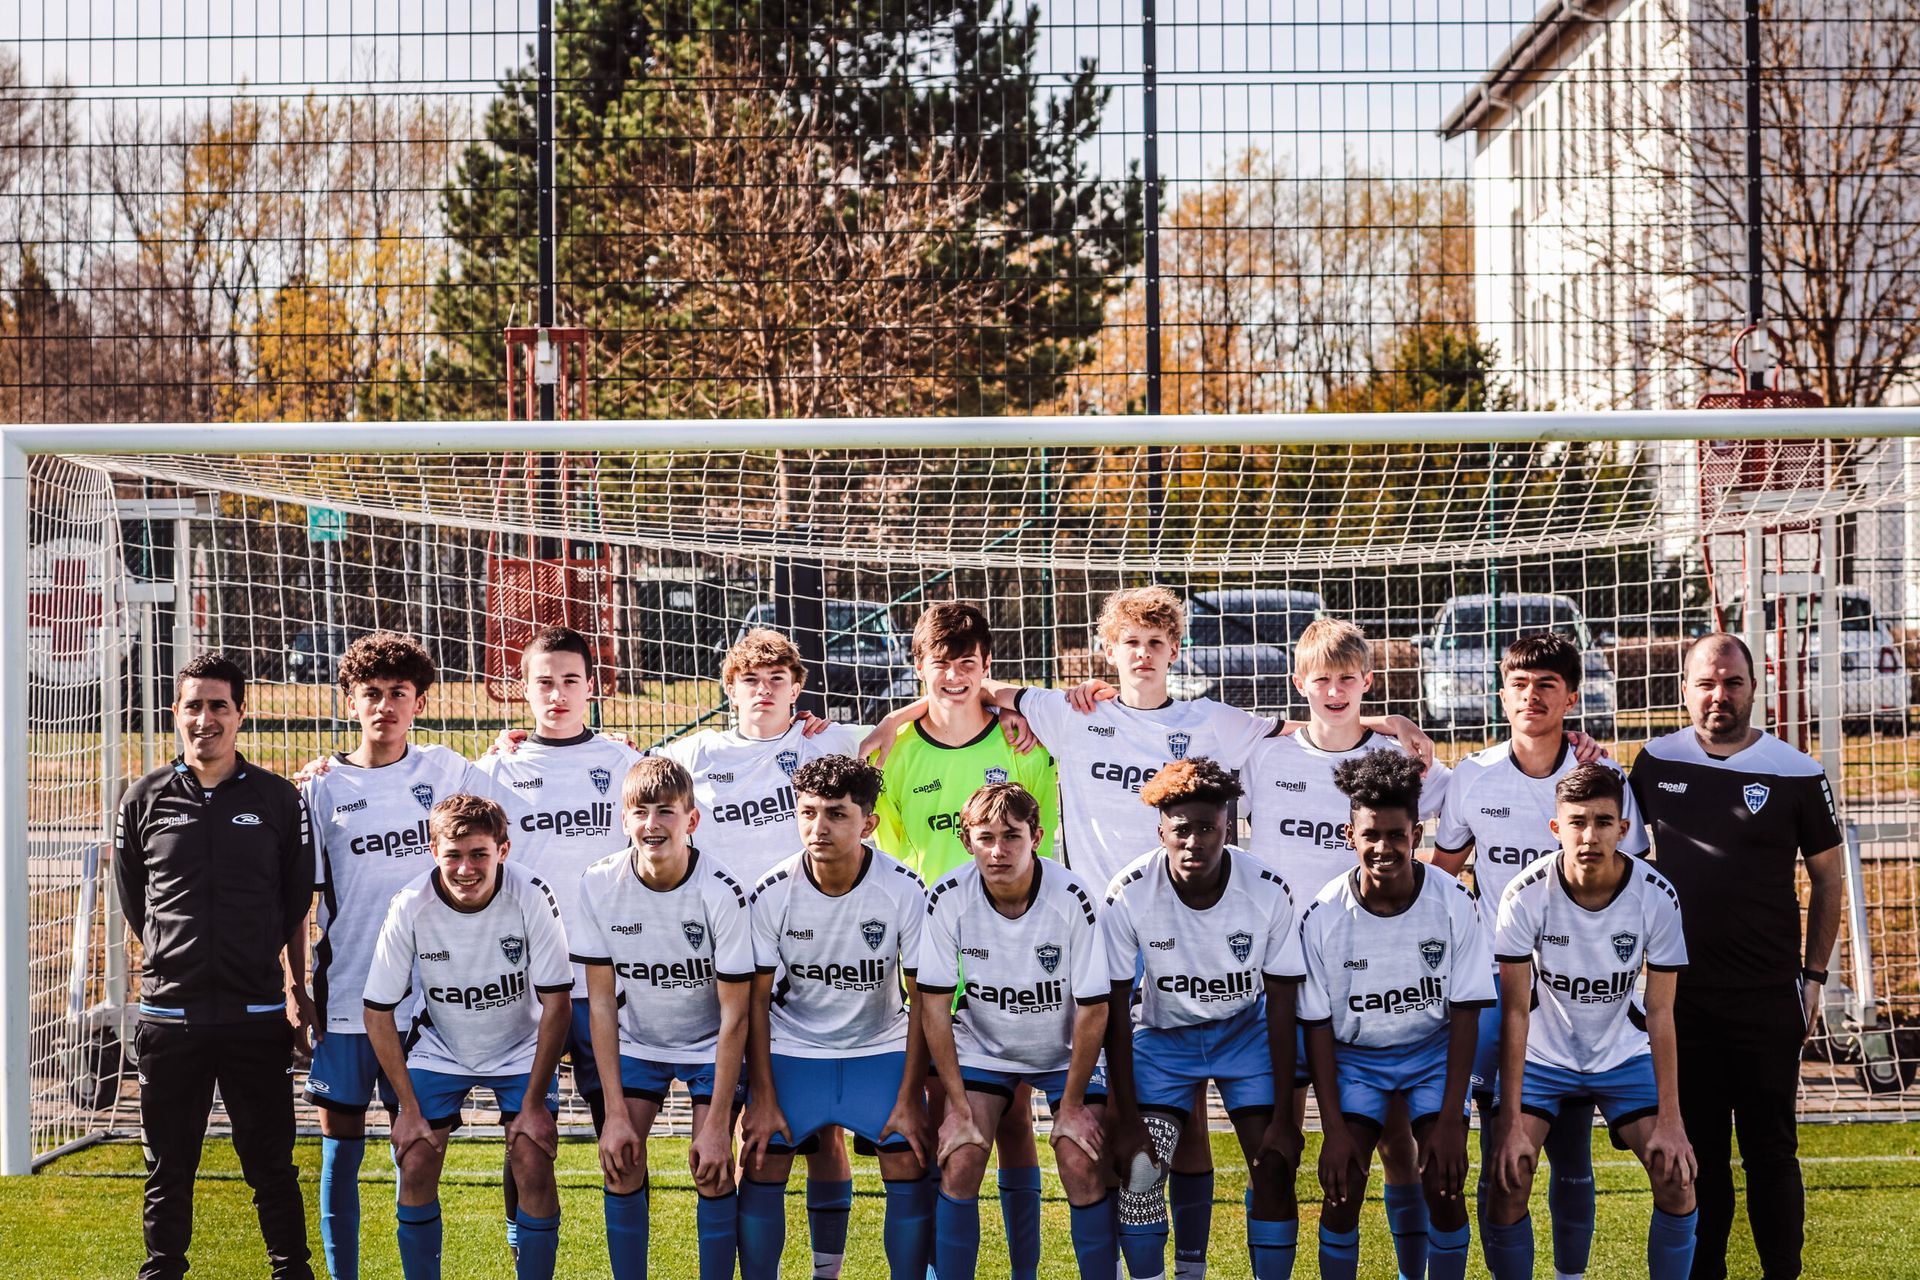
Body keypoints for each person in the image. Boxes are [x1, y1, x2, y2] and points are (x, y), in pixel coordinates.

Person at [868, 585, 1428, 1277]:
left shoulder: (1212, 720)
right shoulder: (1071, 713)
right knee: (1136, 1144)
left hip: (1203, 941)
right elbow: (974, 687)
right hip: (1103, 948)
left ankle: (1189, 1260)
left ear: (1175, 652)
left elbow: (1306, 726)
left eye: (1156, 645)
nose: (1141, 656)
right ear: (1108, 650)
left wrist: (1388, 721)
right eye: (1129, 643)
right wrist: (897, 720)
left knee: (1212, 1136)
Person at [652, 627, 896, 1277]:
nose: (763, 691)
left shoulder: (827, 741)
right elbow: (626, 775)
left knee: (821, 1132)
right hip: (723, 957)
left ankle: (827, 1270)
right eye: (750, 681)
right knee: (737, 1131)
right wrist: (515, 739)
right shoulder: (696, 754)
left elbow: (898, 730)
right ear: (728, 689)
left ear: (799, 688)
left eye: (776, 680)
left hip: (812, 959)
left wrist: (1005, 702)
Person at [1628, 633, 1844, 1280]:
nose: (1719, 695)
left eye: (1733, 682)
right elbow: (1624, 860)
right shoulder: (1652, 762)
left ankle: (1784, 1272)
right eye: (1706, 682)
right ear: (1685, 689)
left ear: (1755, 688)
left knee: (1772, 1153)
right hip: (1682, 1003)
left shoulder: (1797, 772)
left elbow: (1830, 879)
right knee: (1698, 1158)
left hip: (1767, 997)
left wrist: (1813, 979)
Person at [1241, 617, 1449, 1280]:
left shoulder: (1396, 764)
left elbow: (1464, 802)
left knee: (1393, 1146)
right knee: (1278, 1149)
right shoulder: (1264, 757)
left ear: (1368, 682)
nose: (1334, 690)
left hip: (1371, 983)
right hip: (1279, 982)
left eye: (1346, 679)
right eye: (1321, 679)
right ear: (1298, 683)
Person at [1430, 630, 1639, 1279]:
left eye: (1547, 685)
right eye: (1519, 684)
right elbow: (1444, 874)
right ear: (1502, 693)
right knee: (1503, 1153)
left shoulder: (1605, 782)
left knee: (1572, 1153)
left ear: (1571, 697)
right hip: (1497, 992)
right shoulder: (1474, 776)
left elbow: (1632, 886)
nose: (1532, 696)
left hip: (1576, 994)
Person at [301, 631, 505, 1280]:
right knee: (341, 1149)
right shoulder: (321, 789)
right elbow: (296, 901)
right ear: (349, 702)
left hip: (426, 1006)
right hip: (346, 999)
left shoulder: (445, 770)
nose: (384, 706)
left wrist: (517, 743)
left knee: (417, 1151)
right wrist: (293, 984)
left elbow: (521, 809)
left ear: (419, 702)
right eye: (371, 694)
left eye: (398, 694)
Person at [871, 602, 1059, 1277]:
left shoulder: (1021, 746)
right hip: (927, 962)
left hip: (1014, 958)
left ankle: (1025, 1269)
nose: (953, 675)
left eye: (967, 663)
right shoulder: (893, 751)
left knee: (1014, 1120)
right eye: (939, 662)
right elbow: (891, 851)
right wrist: (890, 723)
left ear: (986, 668)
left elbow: (1047, 844)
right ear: (918, 666)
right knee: (937, 1118)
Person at [115, 652, 315, 1280]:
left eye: (219, 706)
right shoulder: (143, 797)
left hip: (255, 1016)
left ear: (240, 713)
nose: (206, 719)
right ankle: (162, 1270)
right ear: (176, 713)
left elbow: (293, 905)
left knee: (272, 1166)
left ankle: (291, 1271)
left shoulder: (277, 799)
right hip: (169, 1019)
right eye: (194, 706)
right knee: (168, 1167)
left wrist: (295, 988)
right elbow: (134, 899)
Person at [1483, 763, 1697, 1280]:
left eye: (1604, 822)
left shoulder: (1657, 895)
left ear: (1624, 829)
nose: (1590, 836)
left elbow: (1663, 1013)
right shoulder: (1524, 894)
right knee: (1509, 1178)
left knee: (1677, 1177)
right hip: (1543, 1057)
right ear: (1555, 828)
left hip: (1622, 1055)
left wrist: (1672, 1120)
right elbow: (1514, 1011)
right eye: (1577, 822)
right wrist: (1509, 1124)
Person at [1099, 758, 1307, 1280]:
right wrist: (1124, 1120)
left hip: (1245, 1033)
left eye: (1207, 828)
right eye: (1181, 830)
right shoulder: (1128, 892)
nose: (1194, 842)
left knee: (1276, 1168)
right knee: (1141, 1172)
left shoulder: (1267, 889)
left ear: (1228, 828)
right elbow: (1115, 1012)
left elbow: (1282, 1006)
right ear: (1161, 831)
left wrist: (1285, 1116)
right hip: (1163, 1038)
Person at [738, 755, 935, 1278]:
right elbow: (755, 1002)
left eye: (836, 814)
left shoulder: (904, 890)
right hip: (795, 1048)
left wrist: (911, 1097)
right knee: (759, 1154)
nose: (818, 827)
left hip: (879, 1047)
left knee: (909, 1154)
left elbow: (922, 1002)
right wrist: (760, 1097)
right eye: (807, 812)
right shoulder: (770, 892)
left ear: (868, 824)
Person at [362, 794, 573, 1280]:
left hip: (520, 1047)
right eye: (453, 855)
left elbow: (557, 1004)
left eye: (479, 854)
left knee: (532, 1158)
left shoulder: (531, 894)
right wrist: (408, 1111)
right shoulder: (410, 904)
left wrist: (536, 1104)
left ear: (503, 849)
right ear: (431, 849)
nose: (465, 869)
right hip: (441, 1046)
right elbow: (377, 1011)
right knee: (414, 1160)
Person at [1300, 750, 1492, 1280]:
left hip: (1431, 1056)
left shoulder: (1454, 900)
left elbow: (1467, 1010)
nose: (1383, 848)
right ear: (1349, 835)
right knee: (1340, 1190)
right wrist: (1332, 1128)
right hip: (1356, 1061)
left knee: (1447, 1185)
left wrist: (1453, 1119)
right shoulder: (1323, 915)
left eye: (1397, 835)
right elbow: (1315, 1026)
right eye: (1371, 836)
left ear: (1418, 833)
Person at [916, 782, 1114, 1279]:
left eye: (1011, 836)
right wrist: (958, 1108)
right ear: (967, 842)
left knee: (1080, 1159)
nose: (998, 850)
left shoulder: (1074, 897)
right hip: (985, 1047)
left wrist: (1071, 1107)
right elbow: (934, 1007)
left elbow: (1093, 1010)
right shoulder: (947, 896)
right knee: (960, 1158)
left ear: (1037, 837)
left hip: (1066, 1052)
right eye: (985, 837)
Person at [572, 757, 753, 1280]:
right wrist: (614, 1115)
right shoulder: (598, 884)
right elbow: (601, 1004)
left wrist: (719, 1123)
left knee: (714, 1171)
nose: (653, 823)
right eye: (640, 811)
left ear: (691, 821)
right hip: (639, 1042)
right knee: (621, 1162)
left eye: (666, 811)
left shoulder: (721, 891)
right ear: (624, 821)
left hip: (709, 1043)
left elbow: (735, 1014)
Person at [473, 626, 643, 1138]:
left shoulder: (626, 764)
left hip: (607, 978)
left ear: (592, 686)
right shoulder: (493, 771)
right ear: (522, 689)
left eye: (571, 680)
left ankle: (622, 1221)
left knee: (619, 1125)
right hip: (526, 978)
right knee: (524, 1132)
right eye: (544, 682)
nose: (557, 693)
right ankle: (518, 1225)